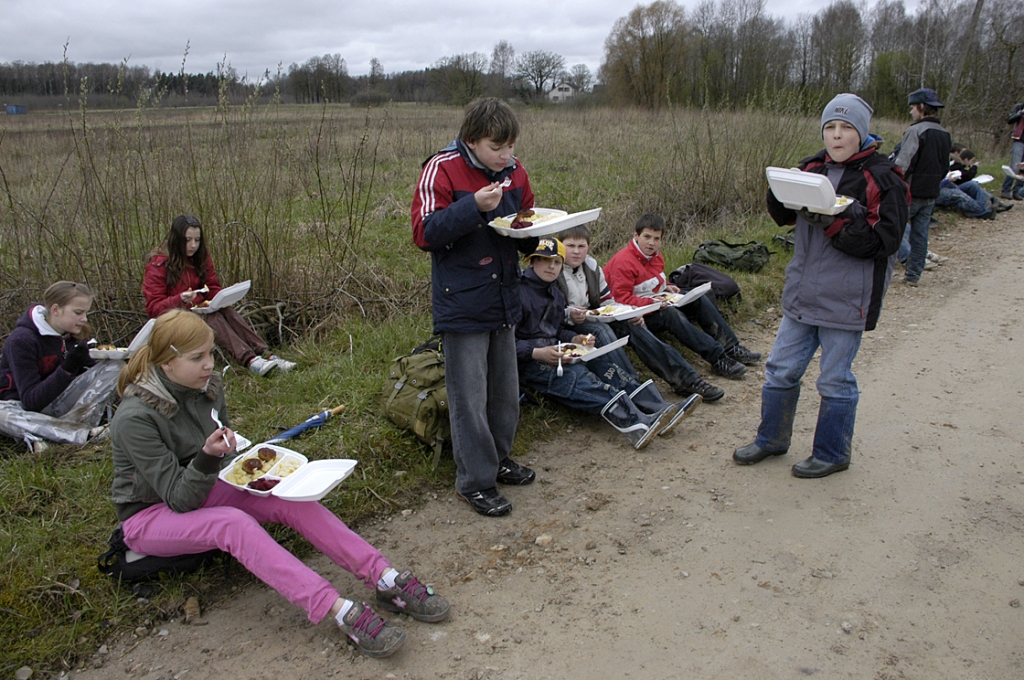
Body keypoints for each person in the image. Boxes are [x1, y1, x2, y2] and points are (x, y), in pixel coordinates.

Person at [109, 309, 449, 658]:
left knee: (287, 496)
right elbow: (180, 499)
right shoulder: (136, 418)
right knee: (234, 524)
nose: (210, 364)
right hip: (149, 514)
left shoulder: (205, 386)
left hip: (205, 482)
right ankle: (338, 609)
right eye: (197, 358)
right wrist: (209, 457)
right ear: (166, 364)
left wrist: (236, 454)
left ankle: (384, 578)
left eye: (211, 353)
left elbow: (220, 451)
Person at [734, 93, 908, 478]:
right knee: (780, 369)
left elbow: (885, 243)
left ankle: (832, 452)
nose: (837, 135)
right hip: (803, 291)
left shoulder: (883, 178)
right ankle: (771, 440)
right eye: (830, 127)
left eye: (846, 128)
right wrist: (780, 188)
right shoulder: (811, 166)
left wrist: (832, 221)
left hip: (848, 298)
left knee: (834, 378)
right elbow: (782, 217)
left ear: (862, 133)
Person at [411, 97, 539, 517]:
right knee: (469, 396)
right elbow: (425, 232)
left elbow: (527, 219)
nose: (506, 156)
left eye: (510, 147)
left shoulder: (515, 170)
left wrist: (535, 237)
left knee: (504, 393)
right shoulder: (443, 167)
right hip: (462, 300)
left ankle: (498, 460)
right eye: (496, 147)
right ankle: (474, 481)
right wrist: (473, 208)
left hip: (505, 294)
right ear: (471, 140)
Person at [516, 238, 700, 449]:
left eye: (557, 262)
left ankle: (659, 409)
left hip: (558, 352)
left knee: (606, 367)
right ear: (531, 262)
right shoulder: (517, 292)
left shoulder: (555, 293)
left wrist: (575, 339)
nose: (551, 267)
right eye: (544, 260)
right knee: (579, 378)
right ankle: (636, 424)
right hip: (529, 362)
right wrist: (537, 353)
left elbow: (557, 330)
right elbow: (504, 345)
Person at [556, 225, 726, 402]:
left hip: (593, 315)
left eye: (581, 246)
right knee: (601, 331)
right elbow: (548, 311)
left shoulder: (592, 267)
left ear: (588, 247)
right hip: (568, 325)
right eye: (570, 246)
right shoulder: (554, 268)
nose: (576, 251)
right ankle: (634, 389)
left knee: (634, 324)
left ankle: (686, 379)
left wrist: (627, 313)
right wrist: (569, 313)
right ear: (561, 246)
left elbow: (608, 301)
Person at [603, 214, 760, 380]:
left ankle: (731, 347)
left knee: (697, 297)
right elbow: (620, 300)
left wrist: (667, 286)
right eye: (647, 237)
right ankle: (718, 358)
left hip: (655, 302)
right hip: (635, 314)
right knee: (672, 315)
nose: (651, 243)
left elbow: (652, 281)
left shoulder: (655, 256)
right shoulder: (623, 262)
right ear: (636, 235)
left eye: (657, 239)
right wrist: (652, 302)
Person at [143, 214, 295, 376]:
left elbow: (212, 286)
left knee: (225, 310)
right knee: (212, 317)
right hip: (174, 320)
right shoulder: (158, 265)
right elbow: (154, 309)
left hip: (199, 310)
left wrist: (220, 299)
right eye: (187, 240)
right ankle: (250, 359)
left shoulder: (199, 258)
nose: (193, 245)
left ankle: (266, 354)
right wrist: (179, 299)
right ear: (176, 239)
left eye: (197, 240)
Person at [0, 281, 121, 451]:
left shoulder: (71, 335)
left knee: (116, 367)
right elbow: (30, 401)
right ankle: (84, 435)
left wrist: (92, 360)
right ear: (55, 310)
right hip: (21, 407)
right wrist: (67, 369)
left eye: (86, 313)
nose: (84, 319)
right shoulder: (22, 340)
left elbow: (86, 378)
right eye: (78, 312)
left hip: (60, 404)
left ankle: (50, 434)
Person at [892, 88, 951, 287]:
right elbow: (945, 166)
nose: (911, 112)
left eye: (912, 108)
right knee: (920, 235)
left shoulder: (915, 131)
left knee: (892, 230)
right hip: (931, 192)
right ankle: (913, 276)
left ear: (921, 107)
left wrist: (892, 184)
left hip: (909, 191)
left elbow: (903, 163)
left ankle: (884, 271)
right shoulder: (945, 134)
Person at [1000, 100, 1024, 201]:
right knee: (1015, 165)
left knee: (1023, 167)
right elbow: (1010, 119)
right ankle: (1006, 189)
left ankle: (1018, 190)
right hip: (1020, 139)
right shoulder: (1019, 107)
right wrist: (1020, 113)